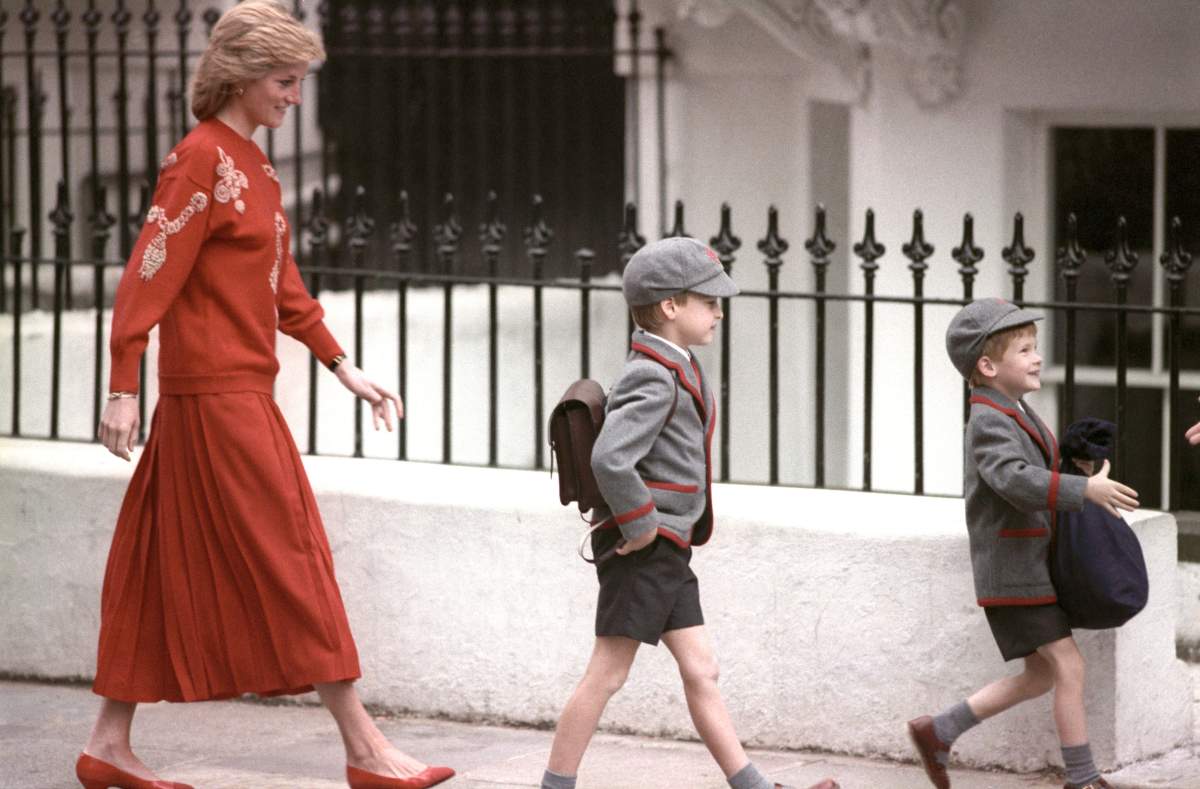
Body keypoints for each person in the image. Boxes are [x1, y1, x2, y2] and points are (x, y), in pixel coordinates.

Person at [80, 3, 453, 789]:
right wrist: (123, 387)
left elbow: (282, 285)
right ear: (244, 76)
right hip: (216, 400)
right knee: (296, 557)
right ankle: (364, 747)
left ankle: (108, 743)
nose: (294, 97)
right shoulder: (200, 161)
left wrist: (341, 365)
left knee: (152, 564)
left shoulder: (256, 166)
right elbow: (148, 273)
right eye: (284, 81)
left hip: (232, 394)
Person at [539, 237, 838, 789]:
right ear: (670, 306)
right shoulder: (651, 372)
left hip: (665, 546)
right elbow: (610, 457)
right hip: (644, 547)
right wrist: (642, 522)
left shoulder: (677, 364)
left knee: (703, 669)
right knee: (607, 674)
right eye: (709, 300)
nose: (720, 311)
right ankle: (555, 785)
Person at [907, 299, 1139, 789]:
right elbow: (1012, 479)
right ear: (988, 366)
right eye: (1026, 350)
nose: (1037, 357)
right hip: (1014, 570)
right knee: (1068, 665)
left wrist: (1075, 462)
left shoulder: (1015, 409)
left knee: (1041, 675)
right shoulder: (987, 419)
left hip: (1032, 565)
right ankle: (1082, 778)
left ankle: (938, 730)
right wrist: (1083, 490)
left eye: (1036, 348)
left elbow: (1035, 471)